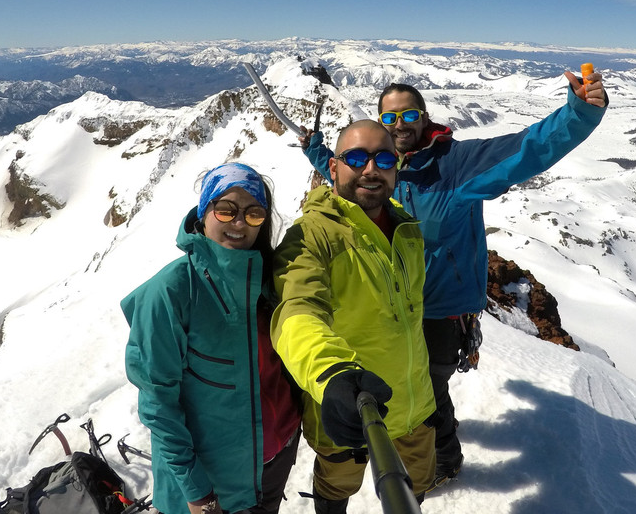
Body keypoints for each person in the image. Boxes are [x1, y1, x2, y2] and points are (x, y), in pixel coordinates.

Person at [300, 67, 608, 485]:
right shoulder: (382, 168)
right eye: (390, 118)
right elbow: (345, 172)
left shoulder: (456, 165)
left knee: (428, 391)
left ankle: (444, 460)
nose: (400, 125)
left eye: (410, 115)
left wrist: (579, 114)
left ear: (424, 117)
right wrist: (315, 150)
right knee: (401, 382)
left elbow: (525, 149)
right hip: (392, 308)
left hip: (440, 310)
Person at [272, 120, 437, 513]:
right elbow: (297, 311)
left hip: (415, 406)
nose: (371, 169)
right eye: (357, 158)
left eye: (384, 159)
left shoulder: (405, 229)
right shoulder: (311, 236)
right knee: (336, 487)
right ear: (333, 167)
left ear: (396, 167)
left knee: (414, 489)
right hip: (348, 404)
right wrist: (332, 375)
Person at [122, 163, 302, 514]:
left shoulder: (269, 280)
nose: (239, 223)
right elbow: (159, 404)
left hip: (276, 457)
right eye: (226, 210)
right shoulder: (170, 292)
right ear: (204, 212)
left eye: (253, 213)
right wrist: (197, 493)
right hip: (214, 485)